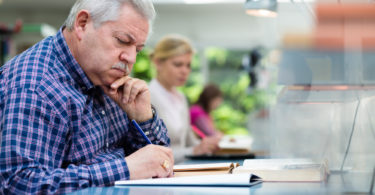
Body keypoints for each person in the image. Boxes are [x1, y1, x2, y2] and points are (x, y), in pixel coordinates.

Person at [0, 0, 174, 194]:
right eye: (123, 41)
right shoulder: (36, 85)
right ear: (82, 24)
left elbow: (160, 163)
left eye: (138, 49)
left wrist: (143, 118)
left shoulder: (108, 77)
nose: (131, 58)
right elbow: (18, 184)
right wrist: (125, 169)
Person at [149, 35, 221, 163]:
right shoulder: (147, 97)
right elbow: (151, 153)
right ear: (158, 63)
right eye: (178, 65)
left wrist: (207, 144)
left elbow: (190, 142)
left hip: (183, 170)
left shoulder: (181, 97)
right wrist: (193, 151)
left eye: (188, 65)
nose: (185, 71)